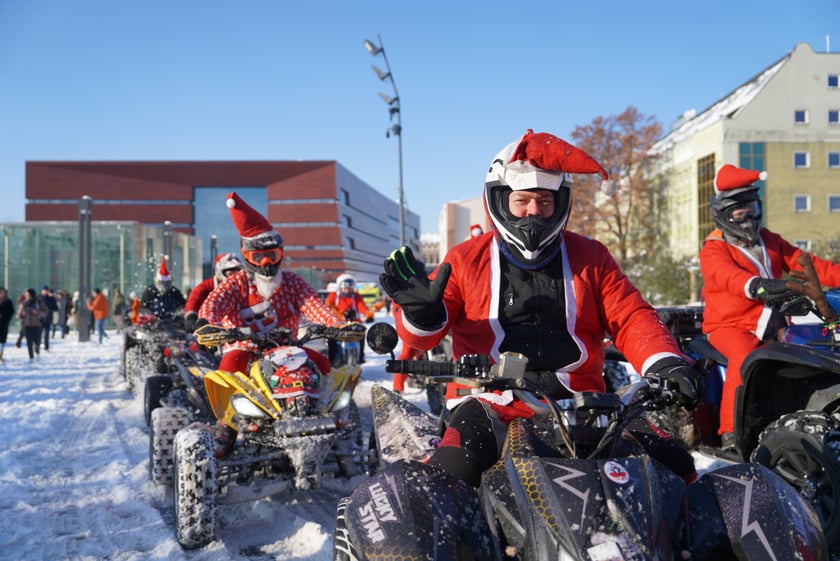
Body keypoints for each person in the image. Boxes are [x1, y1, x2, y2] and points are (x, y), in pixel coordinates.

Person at [381, 129, 703, 486]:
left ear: (561, 203)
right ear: (500, 200)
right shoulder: (464, 259)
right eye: (523, 201)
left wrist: (666, 362)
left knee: (677, 470)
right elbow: (421, 340)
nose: (534, 212)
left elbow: (631, 316)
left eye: (545, 201)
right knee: (449, 478)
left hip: (586, 403)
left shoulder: (592, 256)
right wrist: (421, 316)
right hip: (489, 402)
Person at [699, 164, 840, 451]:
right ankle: (730, 435)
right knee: (744, 356)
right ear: (724, 214)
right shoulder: (714, 249)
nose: (747, 215)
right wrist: (756, 286)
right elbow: (728, 277)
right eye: (739, 210)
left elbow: (808, 265)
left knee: (807, 350)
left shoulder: (770, 240)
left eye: (751, 206)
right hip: (729, 326)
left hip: (770, 324)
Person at [198, 192, 344, 458]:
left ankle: (330, 417)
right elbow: (213, 305)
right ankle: (228, 426)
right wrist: (208, 325)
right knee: (228, 372)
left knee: (322, 366)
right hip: (245, 347)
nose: (266, 264)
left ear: (281, 254)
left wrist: (336, 323)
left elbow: (315, 306)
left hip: (288, 348)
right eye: (258, 258)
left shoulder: (292, 282)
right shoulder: (236, 283)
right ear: (246, 256)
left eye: (272, 255)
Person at [182, 252, 243, 333]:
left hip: (239, 329)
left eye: (238, 273)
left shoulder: (244, 287)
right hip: (212, 328)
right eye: (230, 273)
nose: (235, 277)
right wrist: (191, 317)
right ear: (220, 272)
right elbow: (194, 299)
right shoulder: (206, 286)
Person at [141, 256, 186, 321]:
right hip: (153, 325)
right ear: (157, 282)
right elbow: (143, 307)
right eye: (162, 283)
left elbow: (183, 307)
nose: (164, 286)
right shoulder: (150, 291)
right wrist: (149, 315)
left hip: (172, 325)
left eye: (167, 283)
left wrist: (178, 315)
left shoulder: (175, 292)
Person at [17, 288, 48, 360]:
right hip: (27, 324)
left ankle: (37, 349)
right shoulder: (24, 303)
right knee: (29, 341)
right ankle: (31, 355)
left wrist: (38, 312)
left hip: (37, 324)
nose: (26, 295)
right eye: (25, 294)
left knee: (37, 340)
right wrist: (22, 314)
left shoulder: (39, 302)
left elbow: (46, 311)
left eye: (27, 294)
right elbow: (18, 314)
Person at [39, 286, 58, 351]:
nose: (45, 292)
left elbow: (56, 308)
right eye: (44, 290)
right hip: (40, 318)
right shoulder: (38, 298)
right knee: (39, 332)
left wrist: (50, 310)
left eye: (46, 290)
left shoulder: (51, 298)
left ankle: (46, 346)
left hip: (48, 318)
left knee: (47, 333)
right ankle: (37, 345)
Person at [0, 287, 14, 361]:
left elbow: (11, 312)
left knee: (2, 340)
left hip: (4, 323)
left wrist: (5, 317)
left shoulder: (8, 302)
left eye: (3, 292)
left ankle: (1, 354)